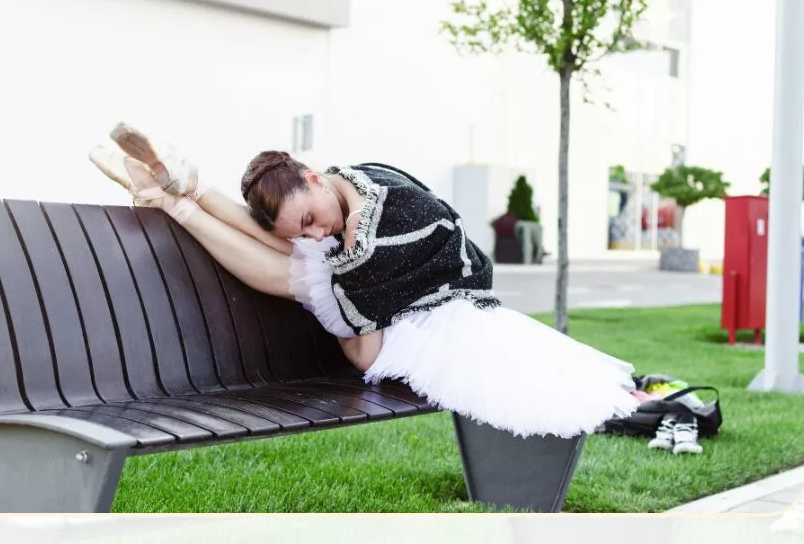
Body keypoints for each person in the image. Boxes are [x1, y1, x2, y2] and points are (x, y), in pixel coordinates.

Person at [89, 122, 639, 439]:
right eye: (305, 224)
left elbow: (366, 325)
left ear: (313, 176)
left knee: (299, 270)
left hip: (395, 328)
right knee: (301, 261)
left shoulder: (372, 230)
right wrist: (320, 245)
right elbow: (354, 337)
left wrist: (337, 260)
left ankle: (179, 193)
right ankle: (178, 192)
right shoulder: (348, 187)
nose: (318, 229)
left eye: (311, 215)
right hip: (392, 309)